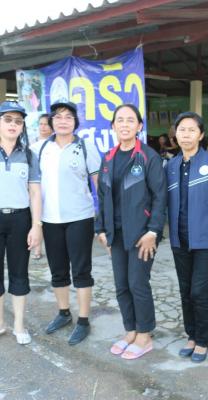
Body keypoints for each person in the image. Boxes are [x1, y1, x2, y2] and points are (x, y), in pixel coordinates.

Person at [96, 104, 167, 360]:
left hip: (141, 234)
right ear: (113, 126)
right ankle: (131, 330)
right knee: (121, 285)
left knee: (137, 283)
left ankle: (145, 335)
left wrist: (153, 231)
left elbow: (160, 197)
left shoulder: (148, 157)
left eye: (130, 120)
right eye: (120, 120)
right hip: (115, 233)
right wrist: (100, 227)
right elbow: (102, 195)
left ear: (139, 126)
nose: (124, 124)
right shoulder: (108, 157)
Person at [166, 111, 208, 363]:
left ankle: (203, 340)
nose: (186, 134)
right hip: (179, 241)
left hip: (206, 242)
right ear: (176, 134)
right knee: (185, 291)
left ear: (201, 135)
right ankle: (191, 335)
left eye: (191, 130)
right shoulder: (171, 166)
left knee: (199, 292)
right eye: (181, 129)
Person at [39, 100, 101, 345]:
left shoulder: (85, 147)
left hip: (80, 218)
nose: (63, 121)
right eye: (58, 116)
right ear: (51, 122)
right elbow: (34, 187)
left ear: (75, 122)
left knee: (81, 270)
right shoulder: (41, 148)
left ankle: (83, 320)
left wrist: (103, 218)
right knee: (58, 270)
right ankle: (64, 313)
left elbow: (98, 184)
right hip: (50, 219)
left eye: (68, 117)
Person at [0, 101, 42, 345]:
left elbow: (35, 193)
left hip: (20, 219)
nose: (13, 124)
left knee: (19, 273)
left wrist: (36, 225)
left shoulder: (28, 155)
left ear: (22, 126)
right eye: (7, 119)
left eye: (18, 121)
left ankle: (18, 325)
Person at [30, 114, 53, 260]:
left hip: (49, 187)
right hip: (36, 187)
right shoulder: (31, 145)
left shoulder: (54, 144)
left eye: (46, 124)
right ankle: (37, 249)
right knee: (36, 217)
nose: (43, 127)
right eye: (41, 124)